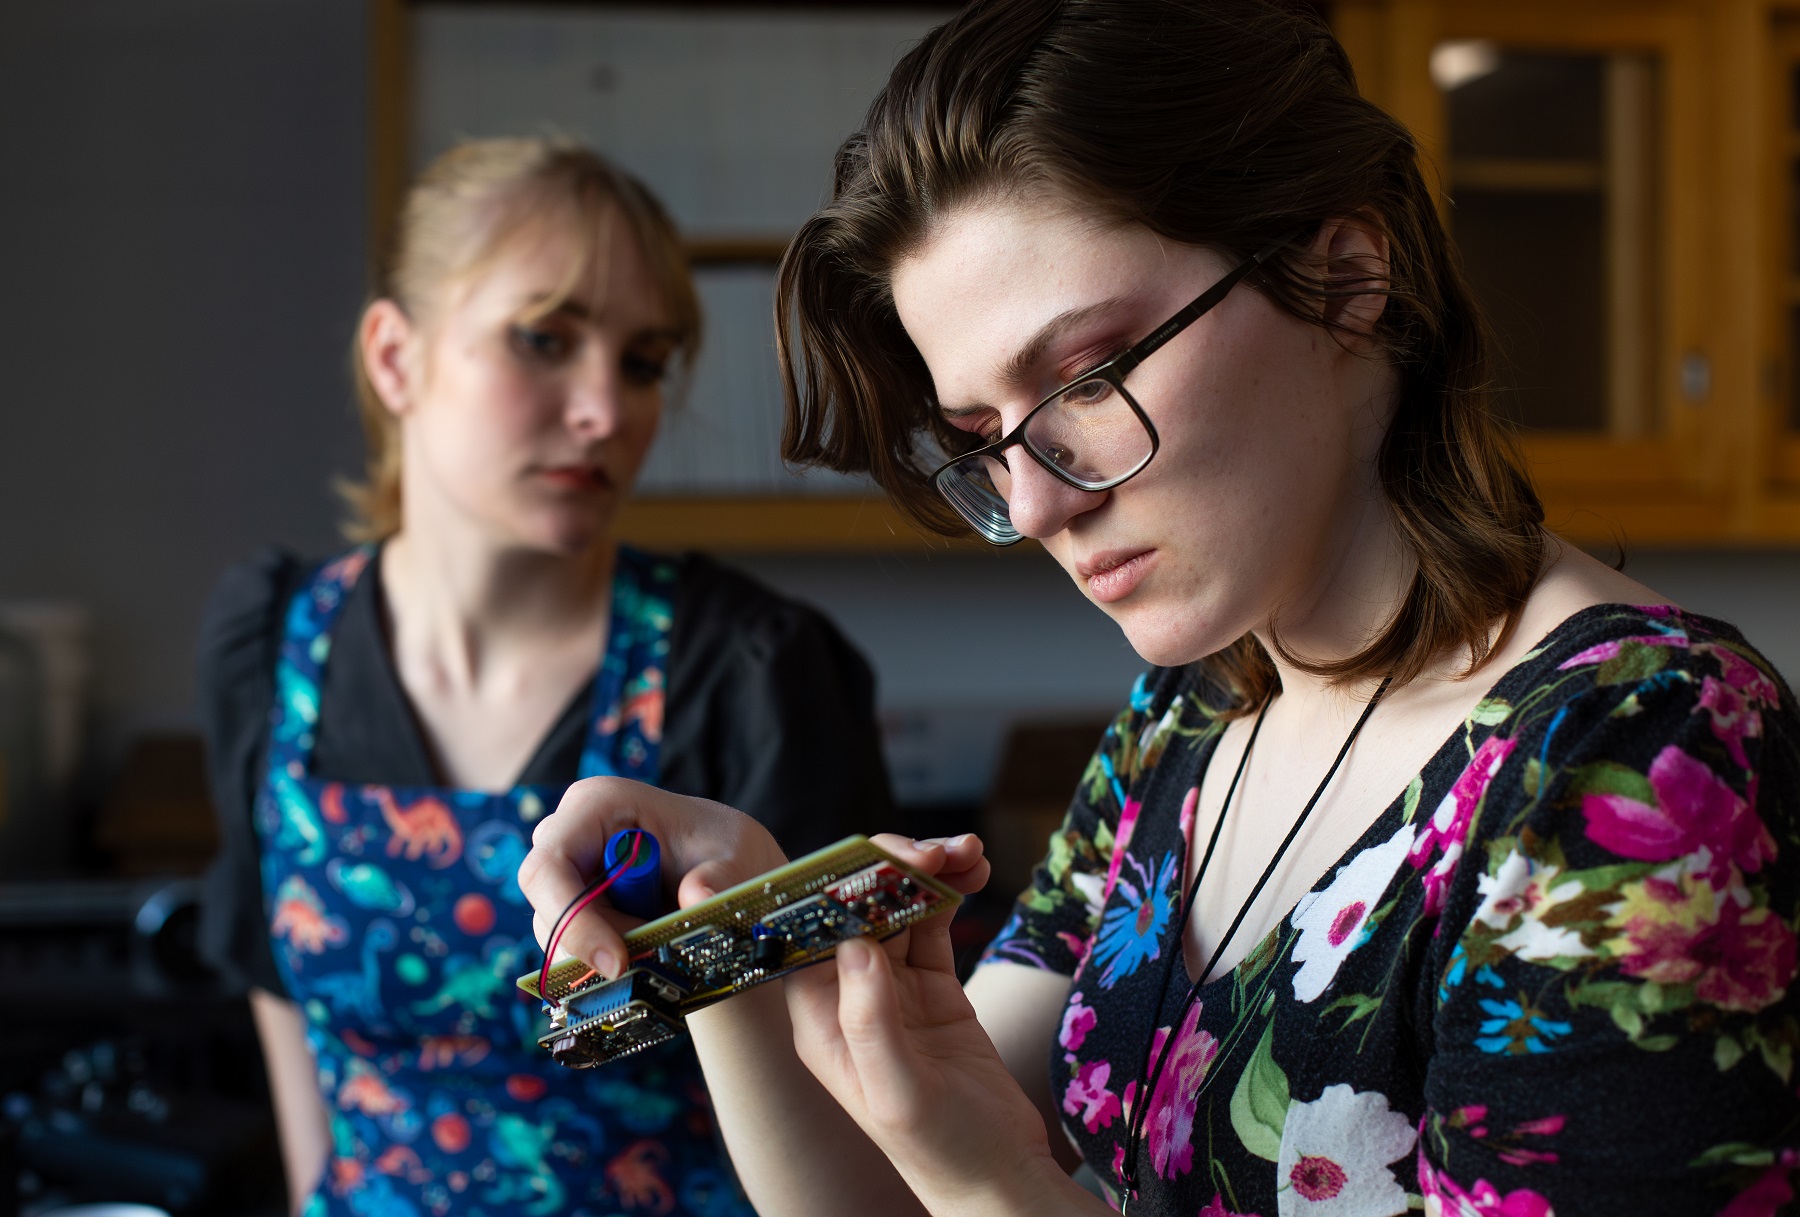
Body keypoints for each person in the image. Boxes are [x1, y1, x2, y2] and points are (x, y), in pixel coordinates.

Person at [517, 3, 1800, 1216]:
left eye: (1084, 376)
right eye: (981, 435)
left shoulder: (1639, 753)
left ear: (1346, 275)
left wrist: (1004, 1191)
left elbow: (985, 1186)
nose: (1029, 506)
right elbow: (902, 1182)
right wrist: (727, 935)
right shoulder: (1191, 711)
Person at [196, 137, 893, 1217]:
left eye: (644, 361)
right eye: (544, 339)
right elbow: (277, 977)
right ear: (395, 357)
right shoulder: (275, 643)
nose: (605, 410)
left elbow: (852, 1089)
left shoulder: (752, 670)